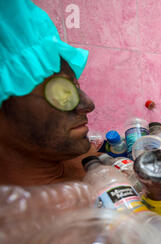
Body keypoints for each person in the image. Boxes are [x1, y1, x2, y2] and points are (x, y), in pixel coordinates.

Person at [0, 1, 98, 187]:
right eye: (61, 90)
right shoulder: (16, 214)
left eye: (74, 86)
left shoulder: (80, 159)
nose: (88, 105)